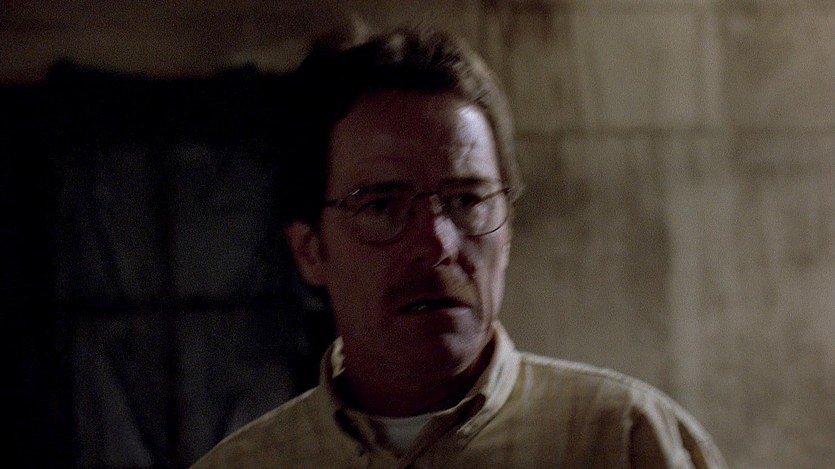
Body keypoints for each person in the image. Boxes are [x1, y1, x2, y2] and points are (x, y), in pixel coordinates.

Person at [192, 25, 727, 468]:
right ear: (310, 250)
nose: (437, 245)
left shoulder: (626, 442)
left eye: (467, 200)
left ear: (508, 228)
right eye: (381, 206)